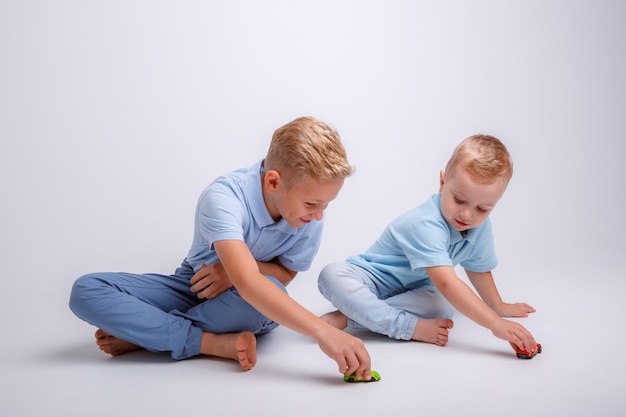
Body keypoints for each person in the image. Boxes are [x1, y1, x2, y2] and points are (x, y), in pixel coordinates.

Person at [70, 116, 372, 379]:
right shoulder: (224, 197)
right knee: (87, 290)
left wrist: (235, 274)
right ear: (273, 182)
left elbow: (283, 273)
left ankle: (150, 336)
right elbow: (249, 282)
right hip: (192, 285)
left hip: (246, 300)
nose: (318, 215)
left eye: (326, 205)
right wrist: (324, 332)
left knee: (267, 296)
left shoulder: (310, 215)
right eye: (312, 204)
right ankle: (209, 342)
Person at [318, 134, 539, 355]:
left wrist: (497, 306)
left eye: (482, 209)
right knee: (332, 274)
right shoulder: (426, 223)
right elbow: (446, 283)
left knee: (443, 306)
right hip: (373, 278)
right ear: (442, 183)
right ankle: (408, 327)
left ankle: (349, 316)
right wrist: (494, 324)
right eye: (460, 200)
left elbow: (478, 268)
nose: (467, 214)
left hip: (417, 288)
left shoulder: (480, 228)